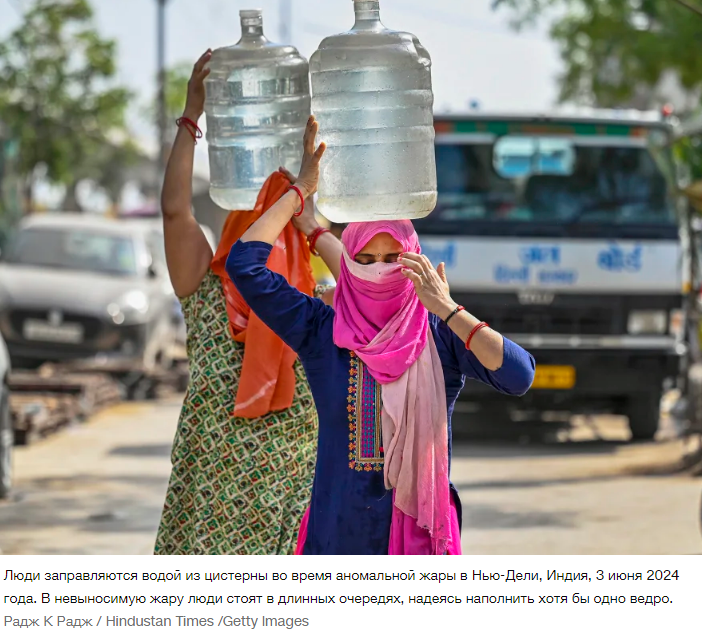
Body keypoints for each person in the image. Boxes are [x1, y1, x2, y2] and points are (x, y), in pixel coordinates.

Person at [225, 117, 536, 555]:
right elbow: (246, 267)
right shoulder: (322, 330)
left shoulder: (438, 333)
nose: (379, 271)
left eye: (394, 258)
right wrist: (299, 197)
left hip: (419, 543)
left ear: (417, 262)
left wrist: (447, 309)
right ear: (349, 266)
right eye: (365, 259)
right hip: (337, 538)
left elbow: (519, 375)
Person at [154, 51, 343, 555]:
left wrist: (305, 212)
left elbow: (367, 285)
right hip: (207, 529)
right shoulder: (208, 292)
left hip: (284, 530)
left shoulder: (315, 314)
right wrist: (193, 115)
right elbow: (174, 210)